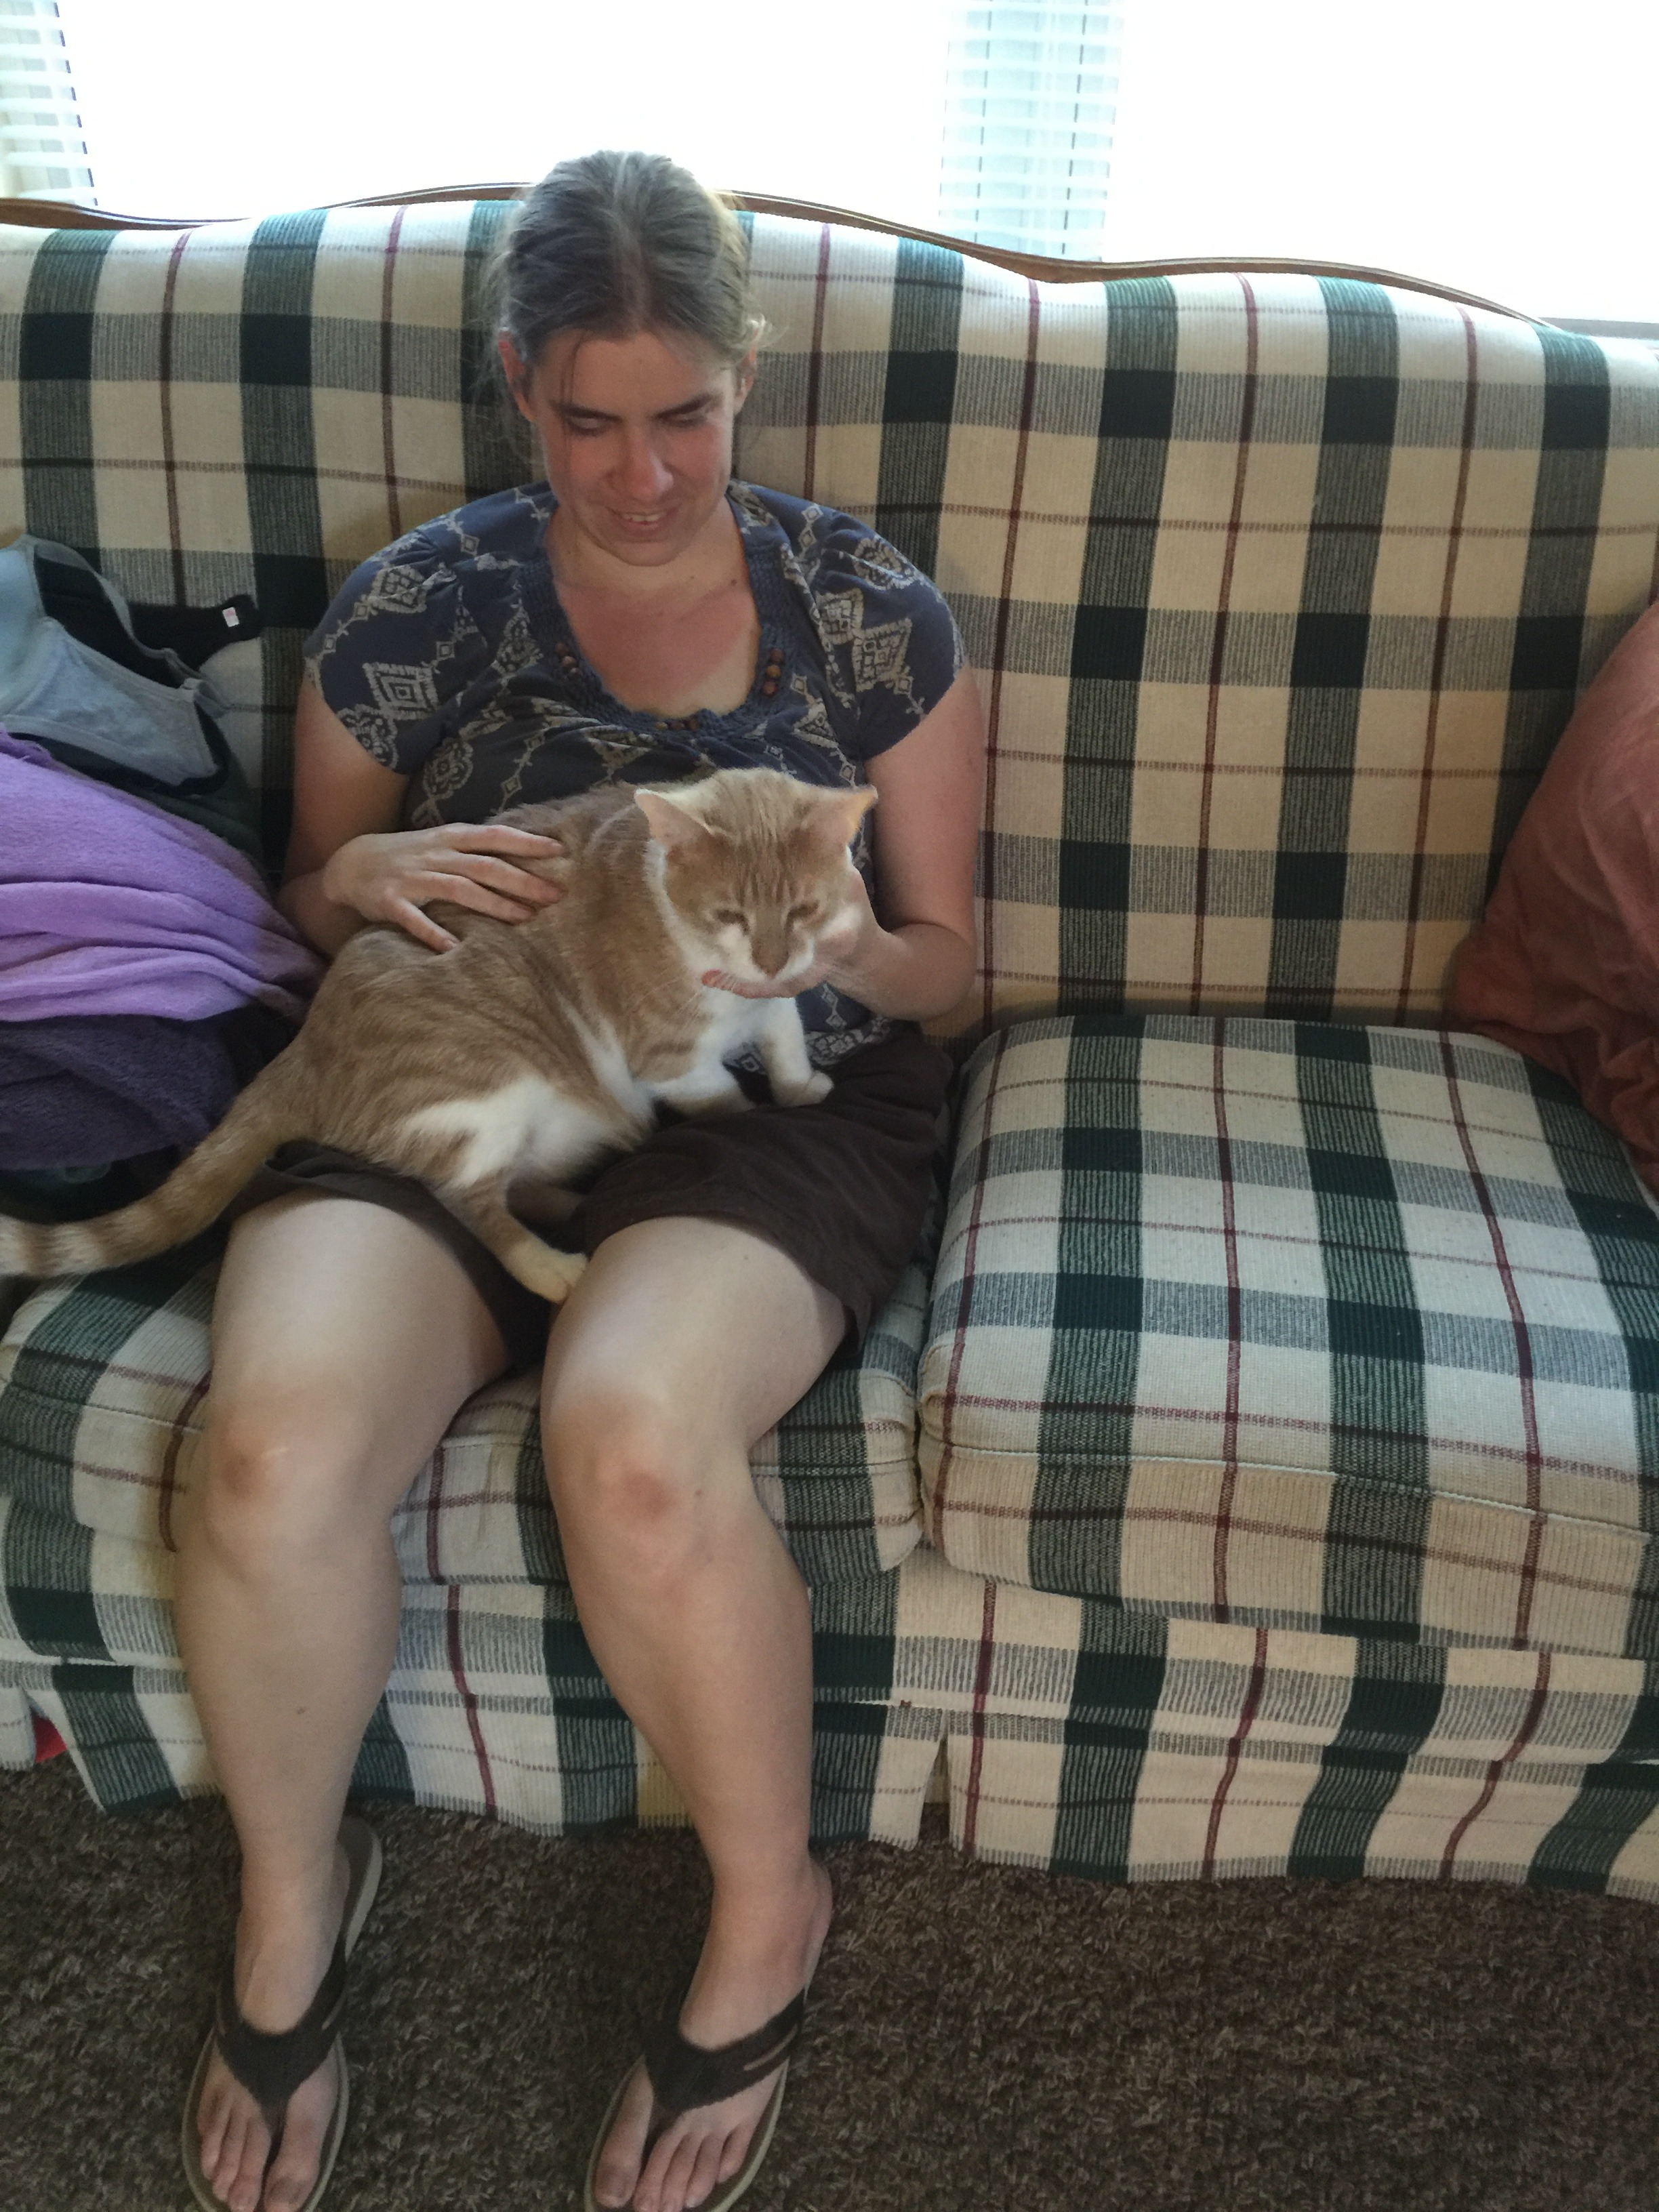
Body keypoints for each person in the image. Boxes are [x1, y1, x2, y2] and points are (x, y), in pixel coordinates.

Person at [180, 149, 983, 2212]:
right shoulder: (428, 603)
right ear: (521, 386)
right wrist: (355, 872)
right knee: (267, 1456)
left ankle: (769, 1910)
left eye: (686, 415)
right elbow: (308, 894)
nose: (643, 476)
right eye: (591, 421)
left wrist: (840, 949)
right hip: (486, 1058)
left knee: (630, 1442)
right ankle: (294, 1900)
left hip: (770, 1101)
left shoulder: (864, 610)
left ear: (747, 376)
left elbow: (949, 961)